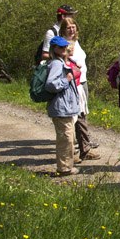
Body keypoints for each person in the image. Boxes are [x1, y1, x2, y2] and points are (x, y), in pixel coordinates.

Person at [60, 17, 100, 161]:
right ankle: (71, 153)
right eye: (68, 27)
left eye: (73, 26)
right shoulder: (63, 44)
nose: (71, 29)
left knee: (81, 116)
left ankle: (84, 149)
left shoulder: (75, 42)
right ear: (63, 30)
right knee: (72, 118)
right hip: (72, 84)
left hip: (81, 82)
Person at [43, 36, 81, 176]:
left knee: (68, 139)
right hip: (61, 108)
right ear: (54, 49)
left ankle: (66, 166)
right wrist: (67, 79)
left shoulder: (60, 62)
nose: (64, 49)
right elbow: (51, 84)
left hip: (65, 107)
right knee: (66, 139)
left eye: (65, 46)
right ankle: (64, 168)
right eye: (61, 47)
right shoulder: (56, 64)